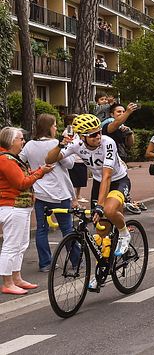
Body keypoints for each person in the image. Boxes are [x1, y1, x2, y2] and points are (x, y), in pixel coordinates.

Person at [47, 114, 132, 291]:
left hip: (118, 180)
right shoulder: (77, 144)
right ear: (82, 136)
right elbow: (49, 160)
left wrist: (100, 207)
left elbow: (107, 175)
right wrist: (61, 144)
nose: (98, 136)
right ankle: (100, 272)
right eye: (93, 135)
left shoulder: (108, 142)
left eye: (99, 132)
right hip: (99, 183)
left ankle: (124, 233)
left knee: (108, 210)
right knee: (101, 234)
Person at [0, 127, 54, 295]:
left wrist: (37, 172)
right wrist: (40, 172)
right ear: (10, 141)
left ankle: (16, 278)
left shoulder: (10, 158)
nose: (22, 141)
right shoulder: (6, 160)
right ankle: (8, 282)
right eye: (20, 139)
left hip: (19, 207)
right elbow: (21, 183)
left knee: (21, 244)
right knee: (11, 245)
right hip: (13, 207)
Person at [20, 114, 76, 273]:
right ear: (49, 127)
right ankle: (76, 260)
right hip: (59, 193)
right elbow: (70, 164)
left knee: (41, 229)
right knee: (67, 228)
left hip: (39, 193)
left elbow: (20, 160)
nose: (56, 128)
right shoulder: (56, 144)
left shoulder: (29, 144)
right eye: (55, 125)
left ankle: (45, 263)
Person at [101, 102, 142, 215]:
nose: (122, 114)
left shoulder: (122, 127)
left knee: (117, 200)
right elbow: (113, 126)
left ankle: (120, 224)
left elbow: (130, 144)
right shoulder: (108, 125)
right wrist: (128, 112)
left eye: (123, 112)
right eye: (119, 112)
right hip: (107, 166)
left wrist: (130, 133)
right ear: (111, 114)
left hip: (120, 165)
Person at [64, 113, 88, 203]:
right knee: (74, 179)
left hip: (80, 158)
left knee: (81, 179)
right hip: (74, 158)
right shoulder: (69, 130)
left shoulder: (79, 130)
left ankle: (78, 195)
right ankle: (74, 196)